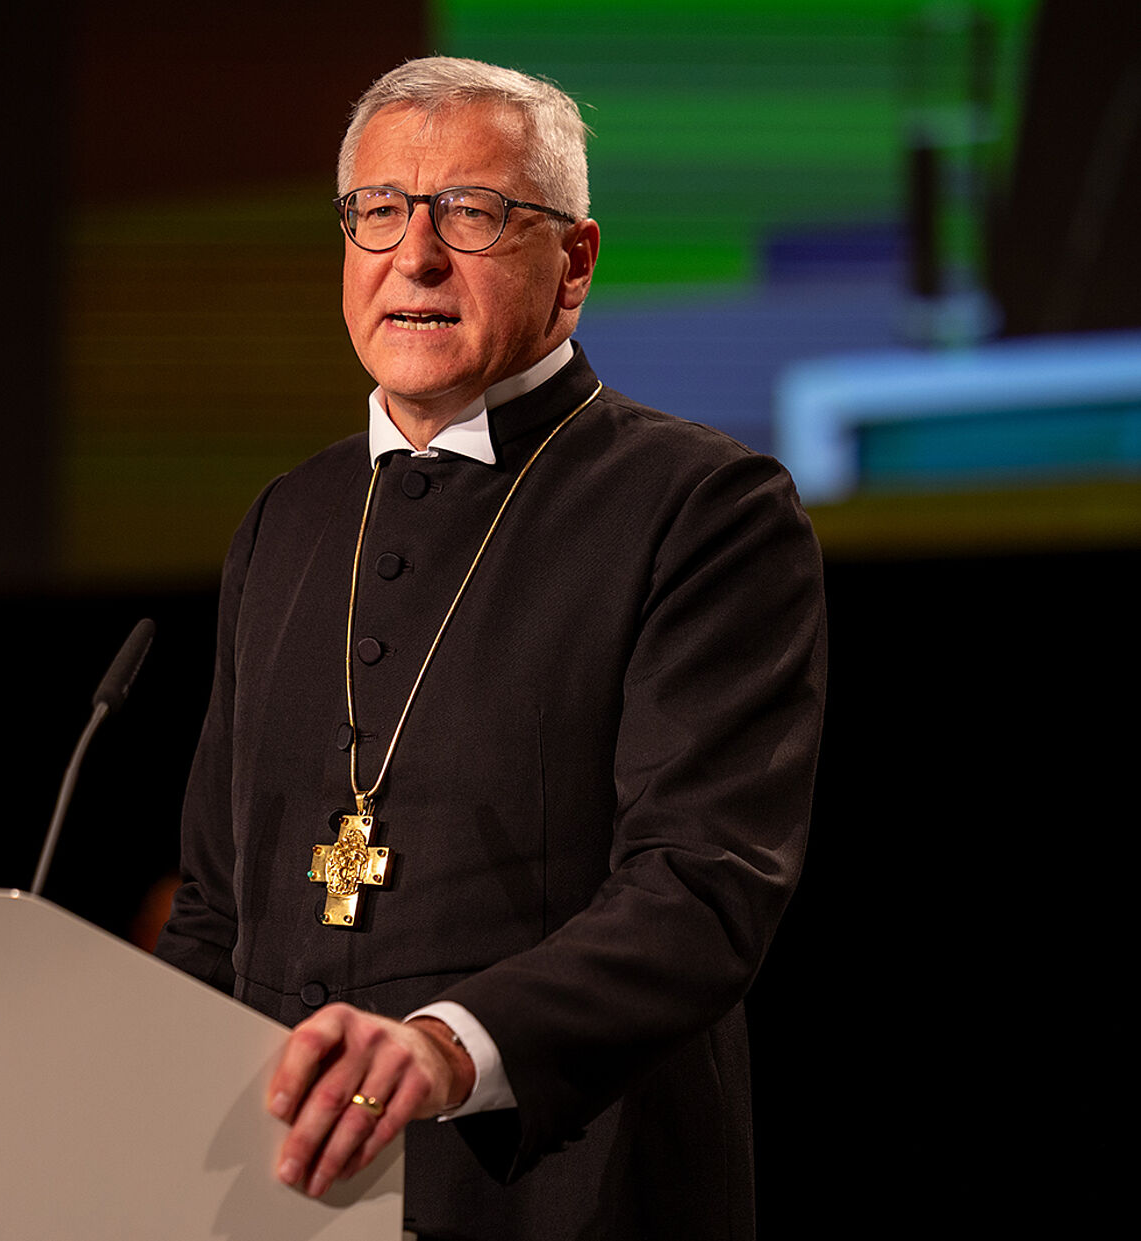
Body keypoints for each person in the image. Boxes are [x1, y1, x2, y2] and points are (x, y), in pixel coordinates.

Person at [156, 56, 827, 1240]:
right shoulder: (288, 520)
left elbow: (700, 891)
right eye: (379, 210)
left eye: (471, 213)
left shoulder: (703, 507)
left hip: (569, 1197)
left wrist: (442, 1050)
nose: (414, 257)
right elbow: (217, 904)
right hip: (280, 1200)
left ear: (573, 262)